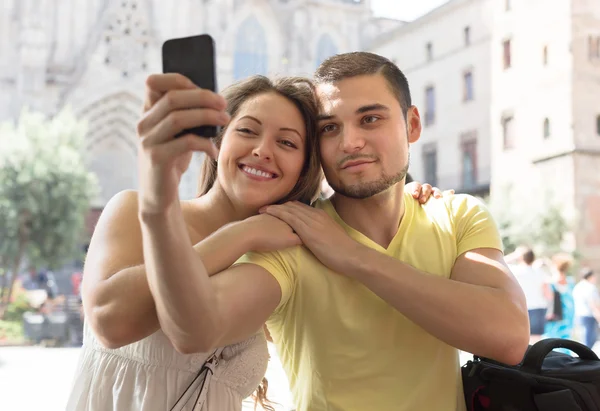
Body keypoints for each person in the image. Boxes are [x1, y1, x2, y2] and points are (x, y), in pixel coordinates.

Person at [145, 52, 530, 411]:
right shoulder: (292, 238)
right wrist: (158, 200)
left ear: (412, 124)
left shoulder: (456, 215)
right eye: (330, 127)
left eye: (370, 119)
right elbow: (194, 330)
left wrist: (357, 259)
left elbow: (509, 338)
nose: (350, 142)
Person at [67, 73, 441, 411]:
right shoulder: (138, 210)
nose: (263, 150)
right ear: (219, 141)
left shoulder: (288, 254)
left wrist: (409, 199)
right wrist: (240, 235)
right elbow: (109, 322)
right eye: (247, 131)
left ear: (305, 167)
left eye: (287, 142)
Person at [506, 246, 552, 343]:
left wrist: (515, 255)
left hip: (521, 307)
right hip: (539, 308)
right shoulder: (539, 272)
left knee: (521, 337)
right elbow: (548, 293)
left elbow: (501, 262)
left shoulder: (515, 271)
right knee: (536, 339)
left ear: (520, 257)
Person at [544, 253, 576, 341]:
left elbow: (547, 298)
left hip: (555, 315)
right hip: (568, 315)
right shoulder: (570, 281)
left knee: (553, 340)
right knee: (566, 341)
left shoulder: (550, 282)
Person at [573, 268, 600, 348]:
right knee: (589, 341)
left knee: (584, 339)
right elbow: (593, 304)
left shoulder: (577, 287)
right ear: (590, 276)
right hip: (589, 316)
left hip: (579, 315)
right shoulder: (590, 287)